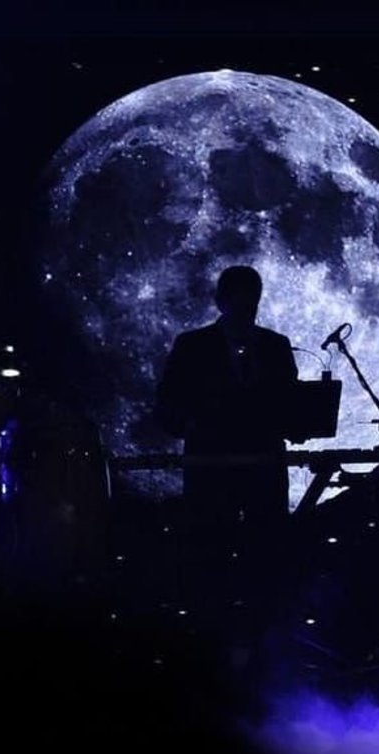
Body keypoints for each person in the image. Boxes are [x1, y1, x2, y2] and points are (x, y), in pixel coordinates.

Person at [156, 264, 300, 674]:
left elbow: (289, 403)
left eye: (252, 299)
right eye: (240, 298)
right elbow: (167, 403)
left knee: (265, 556)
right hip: (211, 469)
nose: (247, 307)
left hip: (261, 468)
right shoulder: (192, 346)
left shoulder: (275, 346)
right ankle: (208, 652)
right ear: (222, 301)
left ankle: (263, 652)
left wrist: (295, 424)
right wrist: (191, 424)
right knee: (209, 557)